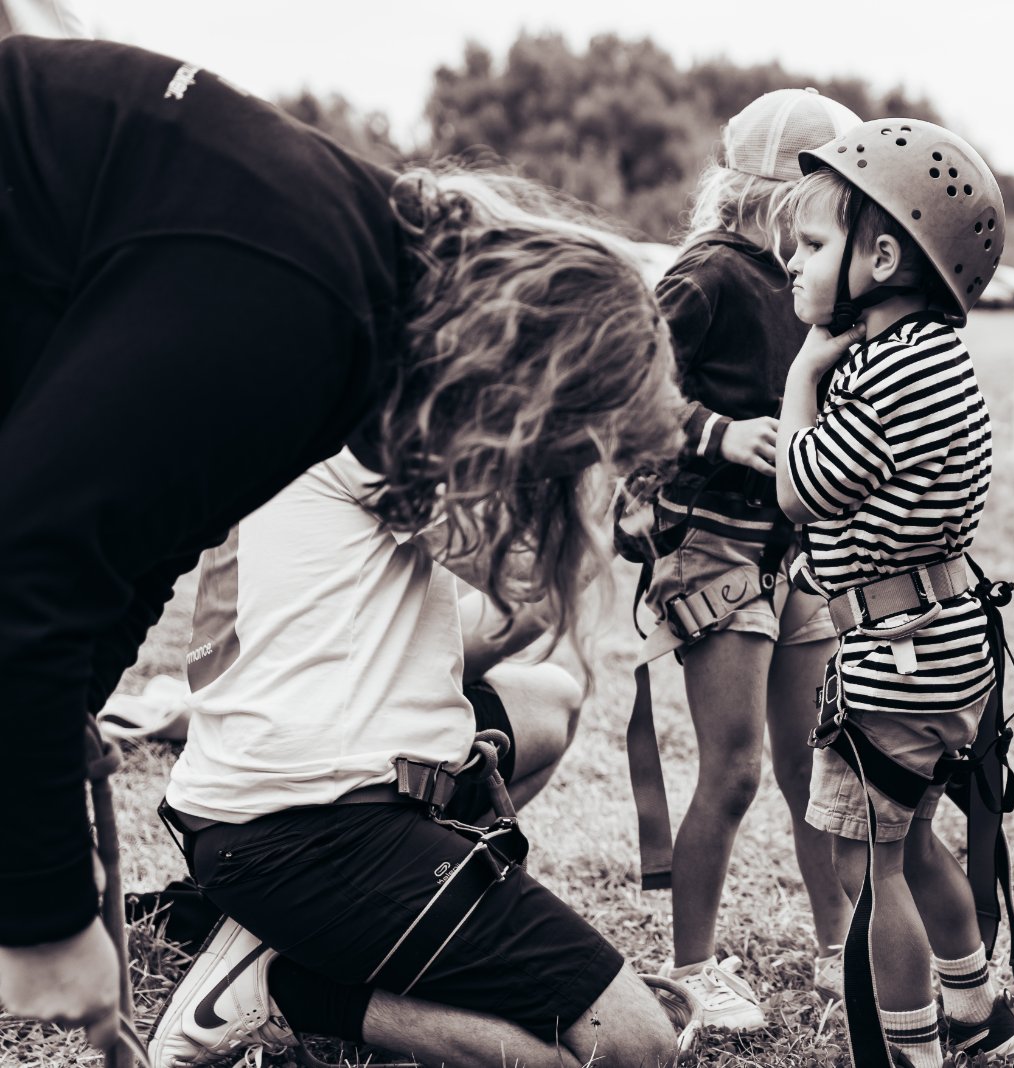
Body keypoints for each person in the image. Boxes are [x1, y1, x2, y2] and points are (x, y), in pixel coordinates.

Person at [0, 36, 682, 1055]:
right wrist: (48, 918)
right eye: (542, 459)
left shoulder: (353, 293)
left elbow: (144, 552)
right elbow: (28, 573)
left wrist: (71, 719)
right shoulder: (304, 308)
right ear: (514, 390)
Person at [148, 445, 677, 1068]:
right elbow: (528, 582)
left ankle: (287, 935)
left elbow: (474, 638)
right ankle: (287, 992)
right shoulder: (375, 437)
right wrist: (617, 484)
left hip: (252, 810)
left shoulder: (299, 434)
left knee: (545, 699)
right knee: (635, 1049)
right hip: (310, 834)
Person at [776, 118, 1014, 1068]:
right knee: (917, 838)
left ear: (881, 258)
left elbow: (800, 487)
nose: (794, 264)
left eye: (812, 245)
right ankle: (980, 1012)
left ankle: (911, 1050)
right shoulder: (935, 357)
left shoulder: (878, 372)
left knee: (869, 867)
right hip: (945, 640)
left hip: (894, 658)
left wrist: (802, 374)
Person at [642, 87, 857, 1024]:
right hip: (714, 548)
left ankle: (839, 949)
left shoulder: (817, 285)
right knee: (733, 771)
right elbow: (626, 383)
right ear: (782, 193)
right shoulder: (709, 274)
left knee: (817, 766)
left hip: (796, 551)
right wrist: (718, 433)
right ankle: (691, 969)